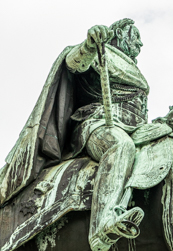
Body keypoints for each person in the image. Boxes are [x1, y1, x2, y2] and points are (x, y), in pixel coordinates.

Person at [64, 18, 149, 250]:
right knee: (120, 146)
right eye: (136, 36)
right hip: (98, 125)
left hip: (135, 129)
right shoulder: (104, 53)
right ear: (120, 34)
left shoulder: (134, 69)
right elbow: (74, 63)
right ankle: (103, 226)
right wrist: (90, 45)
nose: (141, 43)